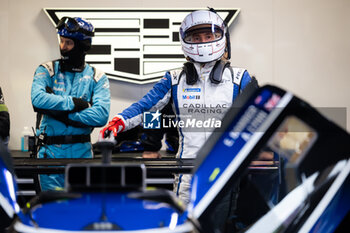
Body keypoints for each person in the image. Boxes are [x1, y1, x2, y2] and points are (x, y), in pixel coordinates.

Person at [100, 9, 256, 205]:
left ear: (221, 37)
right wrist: (118, 122)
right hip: (186, 170)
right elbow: (145, 107)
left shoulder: (240, 78)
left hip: (225, 167)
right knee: (185, 222)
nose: (203, 42)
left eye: (208, 36)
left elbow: (260, 118)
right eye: (197, 37)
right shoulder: (174, 79)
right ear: (186, 40)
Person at [31, 17, 110, 191]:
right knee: (52, 212)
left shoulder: (98, 76)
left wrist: (55, 110)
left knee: (81, 213)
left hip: (82, 156)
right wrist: (74, 103)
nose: (63, 47)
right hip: (49, 154)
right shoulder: (47, 70)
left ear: (83, 46)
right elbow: (37, 99)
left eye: (69, 43)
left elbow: (101, 115)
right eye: (61, 41)